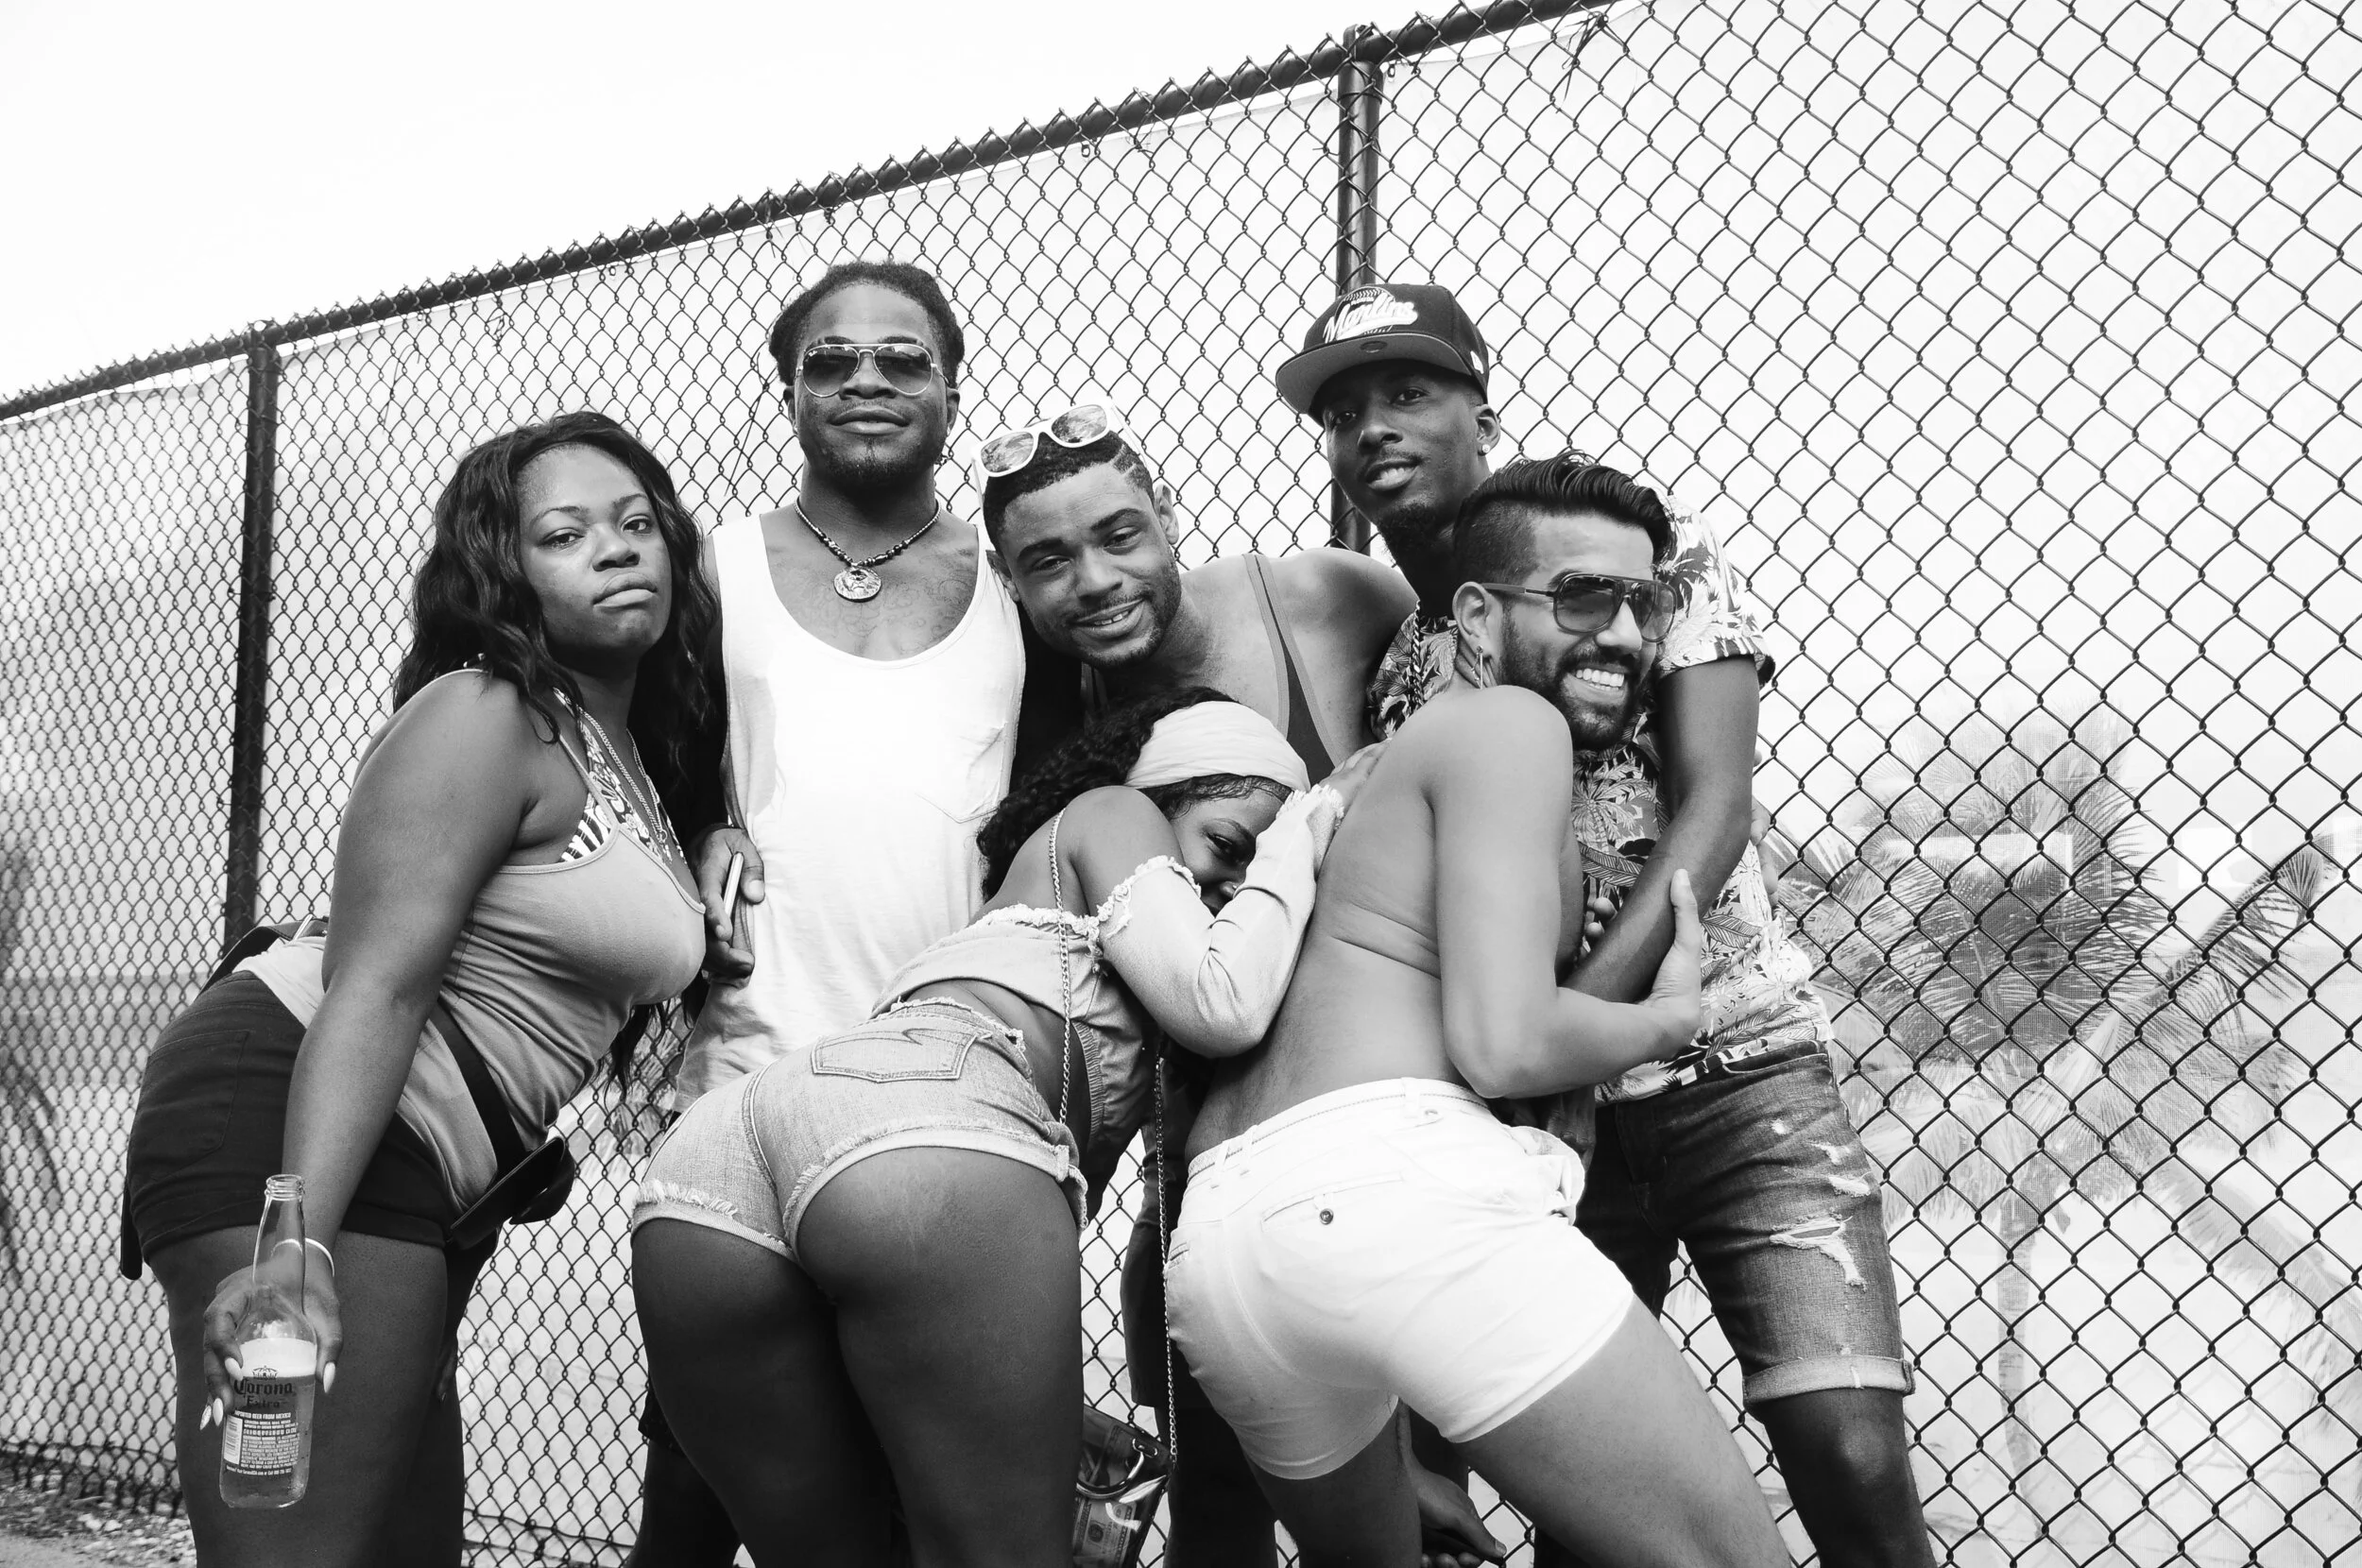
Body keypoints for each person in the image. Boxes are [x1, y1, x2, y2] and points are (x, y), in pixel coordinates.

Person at [1282, 285, 1935, 1567]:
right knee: (1593, 1515)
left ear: (1482, 411)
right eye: (1345, 413)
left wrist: (1575, 1027)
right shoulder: (1408, 664)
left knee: (1851, 1455)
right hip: (1545, 1126)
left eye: (1408, 393)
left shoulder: (1650, 570)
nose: (1374, 429)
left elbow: (1716, 805)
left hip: (1733, 1067)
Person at [1167, 454, 1788, 1568]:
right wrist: (1663, 1019)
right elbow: (1502, 1045)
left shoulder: (1382, 772)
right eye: (1580, 598)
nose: (1623, 635)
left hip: (1225, 1247)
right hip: (1387, 1180)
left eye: (1642, 603)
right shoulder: (1508, 724)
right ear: (1474, 616)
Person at [121, 412, 713, 1567]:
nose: (615, 547)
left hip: (413, 1167)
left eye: (637, 523)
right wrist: (293, 1248)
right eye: (564, 533)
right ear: (505, 572)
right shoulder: (488, 711)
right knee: (291, 1544)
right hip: (295, 1115)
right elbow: (378, 987)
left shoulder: (627, 757)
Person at [629, 690, 1370, 1566]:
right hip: (921, 1124)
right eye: (1230, 845)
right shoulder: (1115, 812)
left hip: (718, 1164)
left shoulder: (1061, 930)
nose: (1241, 885)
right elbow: (1221, 1004)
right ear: (1161, 793)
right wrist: (1308, 826)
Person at [979, 406, 1501, 1566]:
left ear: (1168, 517)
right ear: (1010, 583)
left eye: (1119, 534)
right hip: (1202, 1144)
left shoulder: (1317, 598)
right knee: (1217, 1486)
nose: (1094, 580)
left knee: (1410, 1501)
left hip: (1391, 1122)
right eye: (1047, 560)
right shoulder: (1055, 719)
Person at [631, 259, 1040, 1564]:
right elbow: (639, 751)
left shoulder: (1017, 580)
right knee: (695, 1480)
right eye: (833, 360)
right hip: (749, 1062)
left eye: (903, 359)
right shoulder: (715, 565)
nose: (868, 379)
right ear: (792, 390)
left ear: (952, 389)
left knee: (924, 1482)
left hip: (946, 1088)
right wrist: (692, 829)